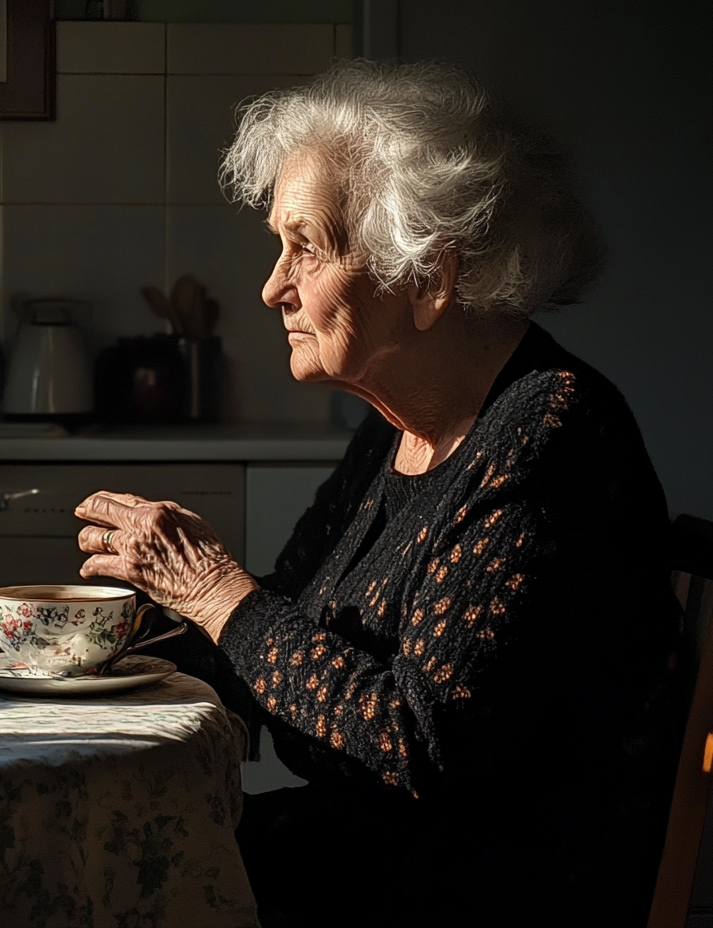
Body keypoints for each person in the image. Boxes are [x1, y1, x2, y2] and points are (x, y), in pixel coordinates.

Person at [75, 60, 685, 926]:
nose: (271, 287)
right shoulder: (400, 427)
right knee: (103, 857)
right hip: (375, 857)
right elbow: (277, 644)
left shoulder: (550, 435)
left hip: (486, 892)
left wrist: (217, 594)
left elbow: (419, 742)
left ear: (430, 278)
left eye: (307, 247)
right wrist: (98, 647)